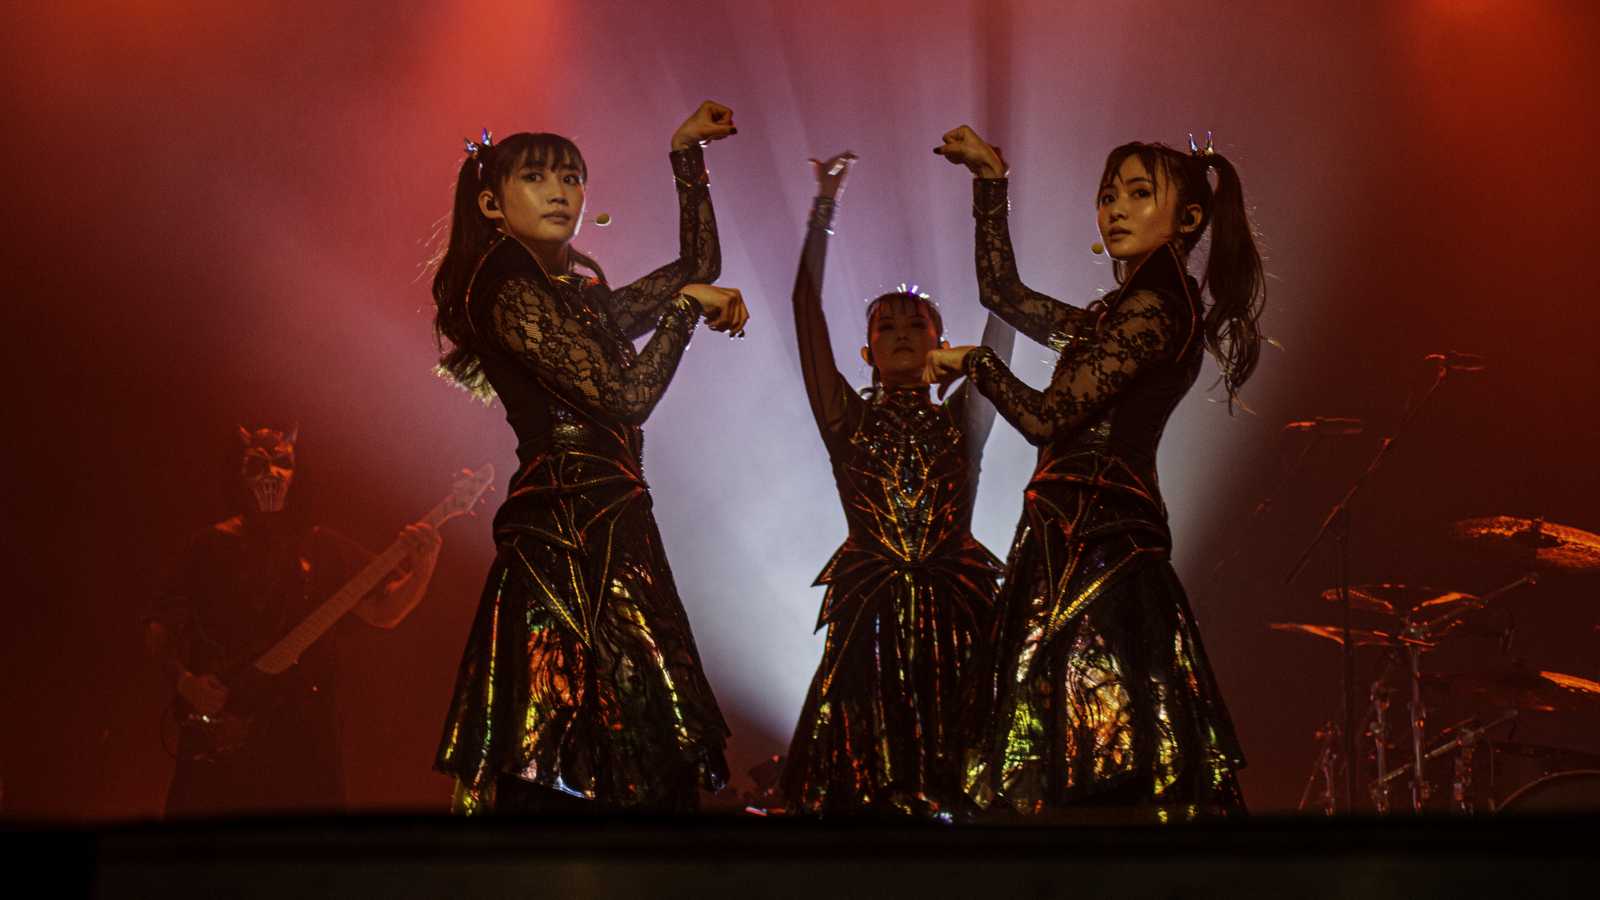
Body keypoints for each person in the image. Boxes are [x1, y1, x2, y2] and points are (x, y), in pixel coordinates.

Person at [928, 126, 1259, 818]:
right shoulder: (1121, 313)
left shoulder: (1157, 310)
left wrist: (976, 364)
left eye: (1140, 194)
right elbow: (1003, 293)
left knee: (1093, 749)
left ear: (1189, 219)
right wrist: (990, 182)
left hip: (1101, 546)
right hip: (1069, 535)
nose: (1114, 209)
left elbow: (1049, 420)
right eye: (1108, 195)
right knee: (1066, 747)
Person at [431, 103, 749, 813]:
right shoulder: (506, 287)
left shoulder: (574, 294)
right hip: (568, 534)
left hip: (612, 520)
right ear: (491, 202)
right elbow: (625, 394)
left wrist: (686, 156)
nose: (560, 191)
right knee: (571, 734)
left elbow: (696, 269)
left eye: (572, 178)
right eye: (538, 176)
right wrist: (684, 312)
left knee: (635, 736)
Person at [779, 151, 1013, 817]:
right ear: (867, 352)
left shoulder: (965, 419)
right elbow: (804, 306)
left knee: (964, 782)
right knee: (868, 786)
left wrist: (989, 194)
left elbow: (1006, 321)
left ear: (945, 344)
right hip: (870, 614)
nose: (903, 335)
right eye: (888, 327)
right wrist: (823, 206)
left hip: (956, 610)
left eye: (918, 326)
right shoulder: (844, 419)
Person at [146, 424, 441, 815]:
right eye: (257, 465)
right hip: (221, 733)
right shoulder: (207, 547)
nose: (272, 475)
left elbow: (383, 612)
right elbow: (157, 630)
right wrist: (185, 683)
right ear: (236, 473)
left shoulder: (322, 548)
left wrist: (423, 568)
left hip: (305, 741)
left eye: (283, 463)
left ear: (298, 472)